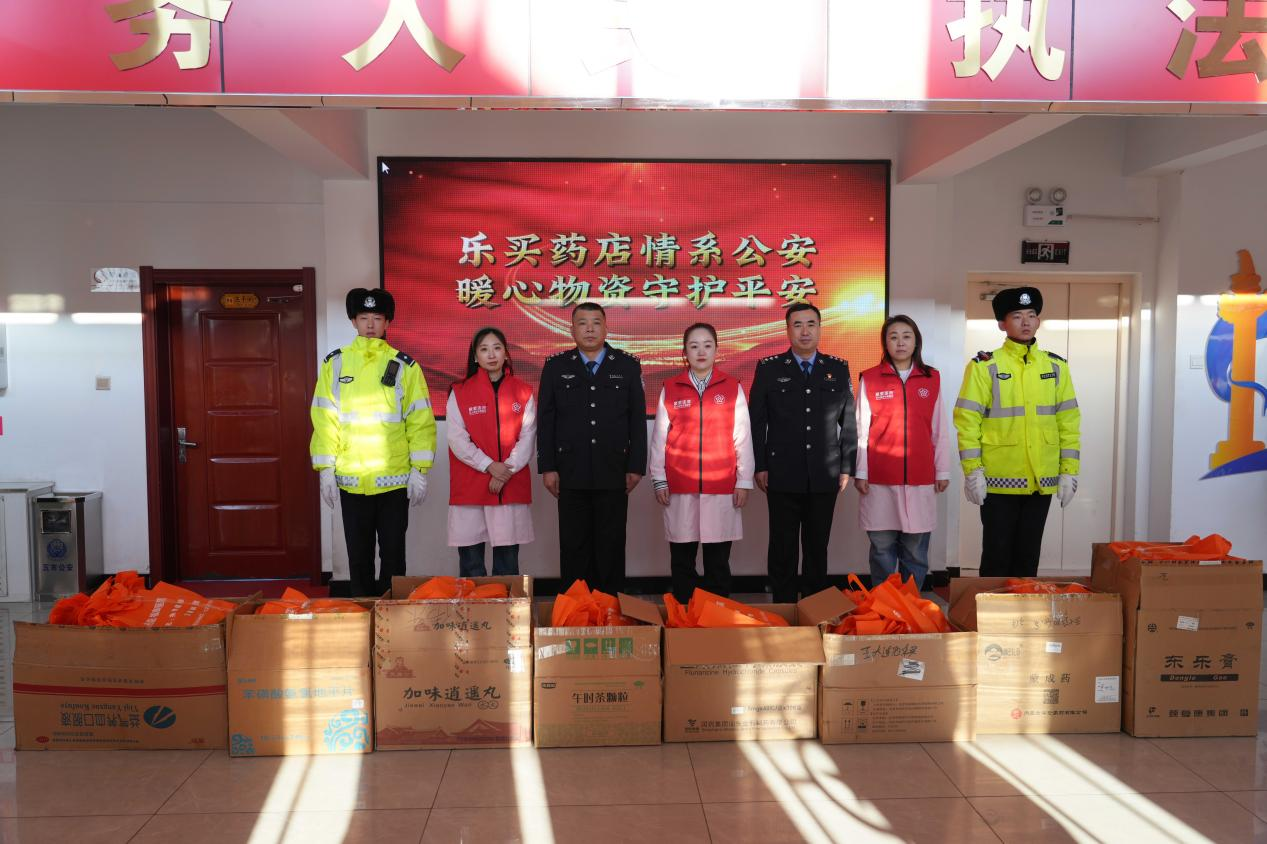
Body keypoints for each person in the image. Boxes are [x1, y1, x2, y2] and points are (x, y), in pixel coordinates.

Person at [310, 288, 437, 595]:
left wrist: (420, 470)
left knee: (393, 556)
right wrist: (325, 469)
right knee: (358, 558)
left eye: (377, 318)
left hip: (394, 481)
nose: (370, 324)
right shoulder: (335, 364)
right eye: (363, 317)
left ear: (387, 322)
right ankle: (363, 615)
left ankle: (393, 617)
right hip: (352, 481)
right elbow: (325, 419)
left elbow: (420, 420)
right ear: (353, 321)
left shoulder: (405, 367)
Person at [954, 286, 1081, 577]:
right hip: (998, 480)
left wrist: (1069, 471)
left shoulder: (1056, 367)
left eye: (1031, 315)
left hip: (1041, 479)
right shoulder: (984, 367)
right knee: (996, 557)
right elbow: (966, 420)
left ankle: (1024, 607)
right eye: (1017, 316)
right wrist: (973, 471)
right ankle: (991, 608)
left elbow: (1069, 421)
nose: (1026, 322)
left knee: (1028, 558)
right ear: (1002, 324)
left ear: (1038, 321)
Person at [749, 302, 857, 603]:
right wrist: (760, 465)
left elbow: (849, 422)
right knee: (782, 547)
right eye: (797, 325)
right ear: (787, 330)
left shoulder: (837, 368)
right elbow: (757, 422)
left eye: (811, 324)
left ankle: (814, 609)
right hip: (781, 472)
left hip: (825, 473)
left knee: (816, 547)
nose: (805, 331)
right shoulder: (769, 368)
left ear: (820, 329)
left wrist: (846, 466)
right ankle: (784, 610)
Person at [536, 302, 647, 594]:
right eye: (582, 323)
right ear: (572, 330)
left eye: (596, 322)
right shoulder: (556, 367)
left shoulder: (627, 366)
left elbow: (637, 420)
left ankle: (610, 609)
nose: (589, 329)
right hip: (570, 472)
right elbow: (546, 420)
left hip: (614, 470)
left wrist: (636, 466)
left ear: (606, 328)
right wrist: (548, 467)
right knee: (574, 546)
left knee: (611, 545)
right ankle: (576, 610)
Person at [649, 323, 755, 602]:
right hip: (680, 485)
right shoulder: (671, 388)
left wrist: (744, 480)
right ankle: (684, 614)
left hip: (721, 485)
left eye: (707, 345)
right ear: (684, 352)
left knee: (717, 560)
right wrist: (659, 478)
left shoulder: (732, 387)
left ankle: (716, 615)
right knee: (682, 558)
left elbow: (742, 436)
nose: (701, 352)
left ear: (717, 350)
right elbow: (659, 438)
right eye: (694, 346)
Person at [854, 315, 951, 590]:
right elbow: (861, 430)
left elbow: (939, 429)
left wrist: (942, 470)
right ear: (885, 343)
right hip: (880, 479)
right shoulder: (870, 378)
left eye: (906, 336)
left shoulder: (931, 378)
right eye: (893, 337)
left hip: (920, 478)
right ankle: (883, 606)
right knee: (882, 550)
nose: (900, 342)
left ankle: (911, 606)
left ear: (916, 341)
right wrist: (861, 472)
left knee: (915, 552)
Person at [446, 327, 535, 577]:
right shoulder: (460, 392)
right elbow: (457, 439)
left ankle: (506, 604)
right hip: (471, 485)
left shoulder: (523, 391)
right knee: (471, 563)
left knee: (507, 563)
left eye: (497, 348)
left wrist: (505, 471)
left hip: (509, 485)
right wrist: (489, 465)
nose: (491, 354)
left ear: (506, 353)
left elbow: (528, 436)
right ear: (475, 357)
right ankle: (475, 605)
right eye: (484, 349)